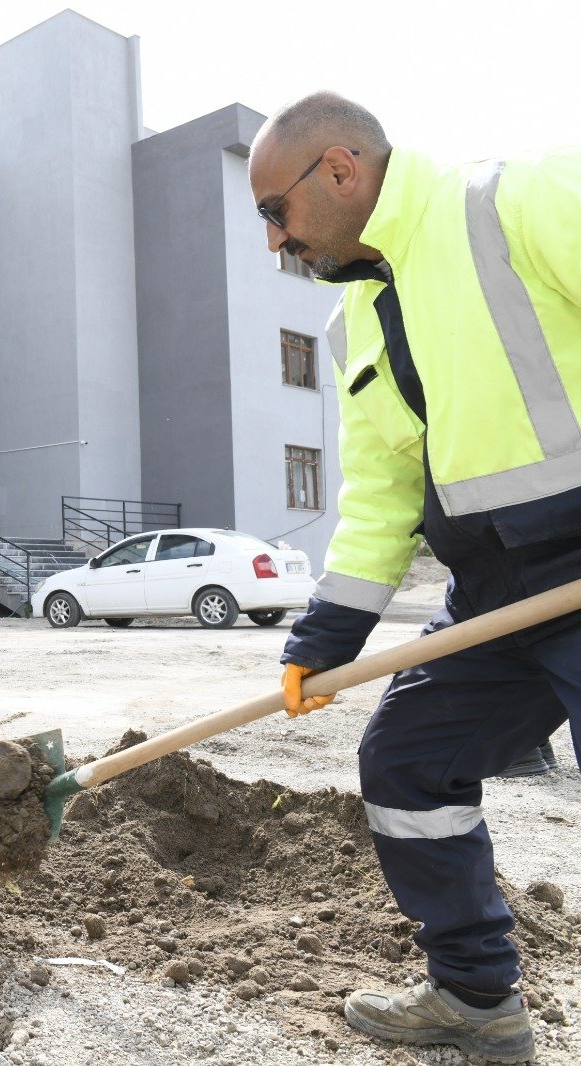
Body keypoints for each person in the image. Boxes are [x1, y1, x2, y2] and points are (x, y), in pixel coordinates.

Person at [252, 91, 581, 1063]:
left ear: (341, 171)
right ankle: (475, 998)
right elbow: (381, 498)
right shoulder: (353, 323)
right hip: (491, 597)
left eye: (276, 210)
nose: (273, 239)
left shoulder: (510, 204)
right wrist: (322, 642)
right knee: (405, 760)